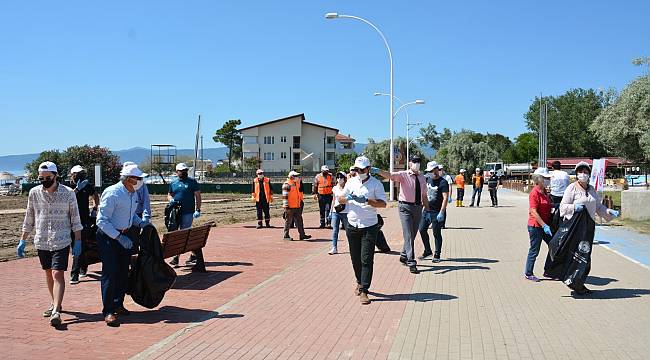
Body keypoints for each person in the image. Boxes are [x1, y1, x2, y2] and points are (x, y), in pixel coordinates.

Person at [18, 161, 83, 326]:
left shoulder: (68, 193)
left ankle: (56, 312)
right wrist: (22, 240)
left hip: (61, 240)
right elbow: (29, 217)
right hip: (42, 241)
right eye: (41, 178)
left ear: (55, 176)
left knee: (57, 274)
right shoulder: (34, 193)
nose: (44, 180)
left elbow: (75, 219)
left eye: (48, 177)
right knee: (48, 273)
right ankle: (56, 303)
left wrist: (78, 241)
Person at [96, 163, 148, 326]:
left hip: (125, 235)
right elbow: (102, 221)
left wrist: (141, 223)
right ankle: (108, 310)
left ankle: (118, 303)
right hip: (109, 237)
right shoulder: (113, 193)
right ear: (129, 179)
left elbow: (130, 215)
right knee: (110, 274)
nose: (140, 181)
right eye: (138, 178)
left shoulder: (133, 194)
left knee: (123, 272)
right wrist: (118, 237)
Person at [559, 161, 619, 294]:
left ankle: (578, 282)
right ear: (576, 174)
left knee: (586, 257)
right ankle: (574, 282)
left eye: (585, 172)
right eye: (580, 172)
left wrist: (609, 212)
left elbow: (598, 207)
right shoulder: (571, 188)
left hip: (588, 228)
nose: (583, 174)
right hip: (574, 228)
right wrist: (574, 207)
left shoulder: (592, 189)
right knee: (577, 255)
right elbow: (562, 207)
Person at [337, 156, 387, 304]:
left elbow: (383, 204)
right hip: (352, 224)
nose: (359, 172)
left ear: (368, 169)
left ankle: (364, 289)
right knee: (355, 258)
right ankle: (359, 281)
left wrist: (366, 200)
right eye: (357, 169)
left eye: (362, 169)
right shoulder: (351, 182)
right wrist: (348, 199)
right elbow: (340, 198)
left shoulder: (376, 184)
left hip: (369, 226)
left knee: (366, 258)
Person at [377, 155, 428, 274]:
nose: (417, 164)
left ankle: (404, 254)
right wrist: (378, 171)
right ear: (410, 163)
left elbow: (424, 195)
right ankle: (411, 262)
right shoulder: (403, 174)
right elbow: (390, 175)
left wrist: (428, 209)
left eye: (419, 162)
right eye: (415, 162)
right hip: (405, 207)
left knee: (413, 234)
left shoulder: (422, 177)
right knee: (408, 234)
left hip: (418, 207)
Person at [69, 165, 100, 285]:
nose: (80, 176)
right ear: (72, 175)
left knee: (79, 245)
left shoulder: (87, 185)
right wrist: (77, 189)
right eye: (77, 174)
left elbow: (95, 195)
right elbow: (66, 198)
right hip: (70, 219)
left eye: (81, 173)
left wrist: (95, 207)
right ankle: (83, 267)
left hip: (84, 220)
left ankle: (75, 274)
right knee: (76, 246)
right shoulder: (67, 186)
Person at [168, 163, 202, 267]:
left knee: (184, 234)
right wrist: (171, 200)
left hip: (188, 212)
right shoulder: (173, 183)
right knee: (175, 234)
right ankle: (193, 254)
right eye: (181, 171)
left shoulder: (192, 182)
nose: (184, 172)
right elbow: (169, 194)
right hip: (176, 213)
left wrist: (198, 209)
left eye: (185, 170)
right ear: (177, 171)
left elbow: (198, 196)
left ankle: (176, 257)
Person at [524, 167, 554, 282]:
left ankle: (548, 270)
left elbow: (547, 205)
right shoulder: (534, 193)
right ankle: (528, 272)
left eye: (548, 178)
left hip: (545, 226)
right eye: (545, 178)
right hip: (535, 226)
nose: (548, 180)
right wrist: (544, 225)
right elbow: (533, 211)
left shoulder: (545, 191)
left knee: (554, 245)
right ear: (539, 179)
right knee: (534, 250)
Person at [418, 161, 449, 262]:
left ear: (437, 169)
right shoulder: (427, 179)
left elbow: (445, 198)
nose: (431, 172)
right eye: (429, 171)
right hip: (426, 211)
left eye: (432, 170)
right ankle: (427, 250)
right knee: (422, 229)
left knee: (436, 233)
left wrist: (442, 212)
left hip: (437, 212)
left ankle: (437, 254)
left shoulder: (443, 182)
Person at [282, 171, 311, 241]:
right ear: (291, 177)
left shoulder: (296, 184)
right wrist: (286, 207)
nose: (297, 177)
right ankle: (286, 236)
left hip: (297, 206)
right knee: (288, 221)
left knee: (300, 221)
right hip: (289, 207)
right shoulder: (287, 184)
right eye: (295, 176)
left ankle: (302, 235)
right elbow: (285, 197)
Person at [328, 172, 349, 255]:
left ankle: (352, 245)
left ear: (344, 179)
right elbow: (333, 200)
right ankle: (334, 247)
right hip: (336, 211)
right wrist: (330, 211)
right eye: (338, 177)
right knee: (335, 230)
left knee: (348, 230)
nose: (339, 179)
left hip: (346, 211)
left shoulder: (348, 188)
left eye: (341, 177)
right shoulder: (335, 188)